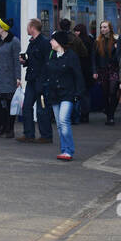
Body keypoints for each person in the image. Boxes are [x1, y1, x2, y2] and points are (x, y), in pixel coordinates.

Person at [47, 30, 85, 161]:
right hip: (54, 94)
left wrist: (78, 93)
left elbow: (78, 75)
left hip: (68, 93)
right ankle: (64, 149)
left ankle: (69, 150)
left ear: (59, 42)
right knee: (59, 123)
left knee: (63, 120)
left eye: (53, 40)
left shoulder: (71, 56)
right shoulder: (52, 55)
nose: (50, 42)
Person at [16, 18, 53, 144]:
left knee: (42, 109)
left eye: (28, 26)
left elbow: (47, 63)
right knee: (26, 107)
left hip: (41, 80)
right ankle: (29, 134)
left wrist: (44, 80)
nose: (27, 29)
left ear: (32, 28)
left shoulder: (44, 43)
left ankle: (46, 136)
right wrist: (24, 61)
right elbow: (31, 59)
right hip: (31, 79)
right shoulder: (31, 43)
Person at [92, 19, 120, 125]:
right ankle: (108, 113)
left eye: (105, 27)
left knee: (113, 92)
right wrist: (94, 71)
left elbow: (118, 56)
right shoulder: (97, 42)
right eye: (101, 27)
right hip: (102, 70)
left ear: (110, 28)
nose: (102, 29)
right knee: (104, 93)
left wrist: (117, 48)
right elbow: (93, 58)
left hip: (114, 69)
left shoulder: (116, 40)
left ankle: (111, 115)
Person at [72, 22, 94, 123]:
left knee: (80, 93)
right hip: (88, 70)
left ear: (79, 32)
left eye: (76, 31)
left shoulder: (78, 42)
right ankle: (86, 115)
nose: (75, 33)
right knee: (86, 93)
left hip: (80, 70)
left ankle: (80, 114)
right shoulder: (90, 40)